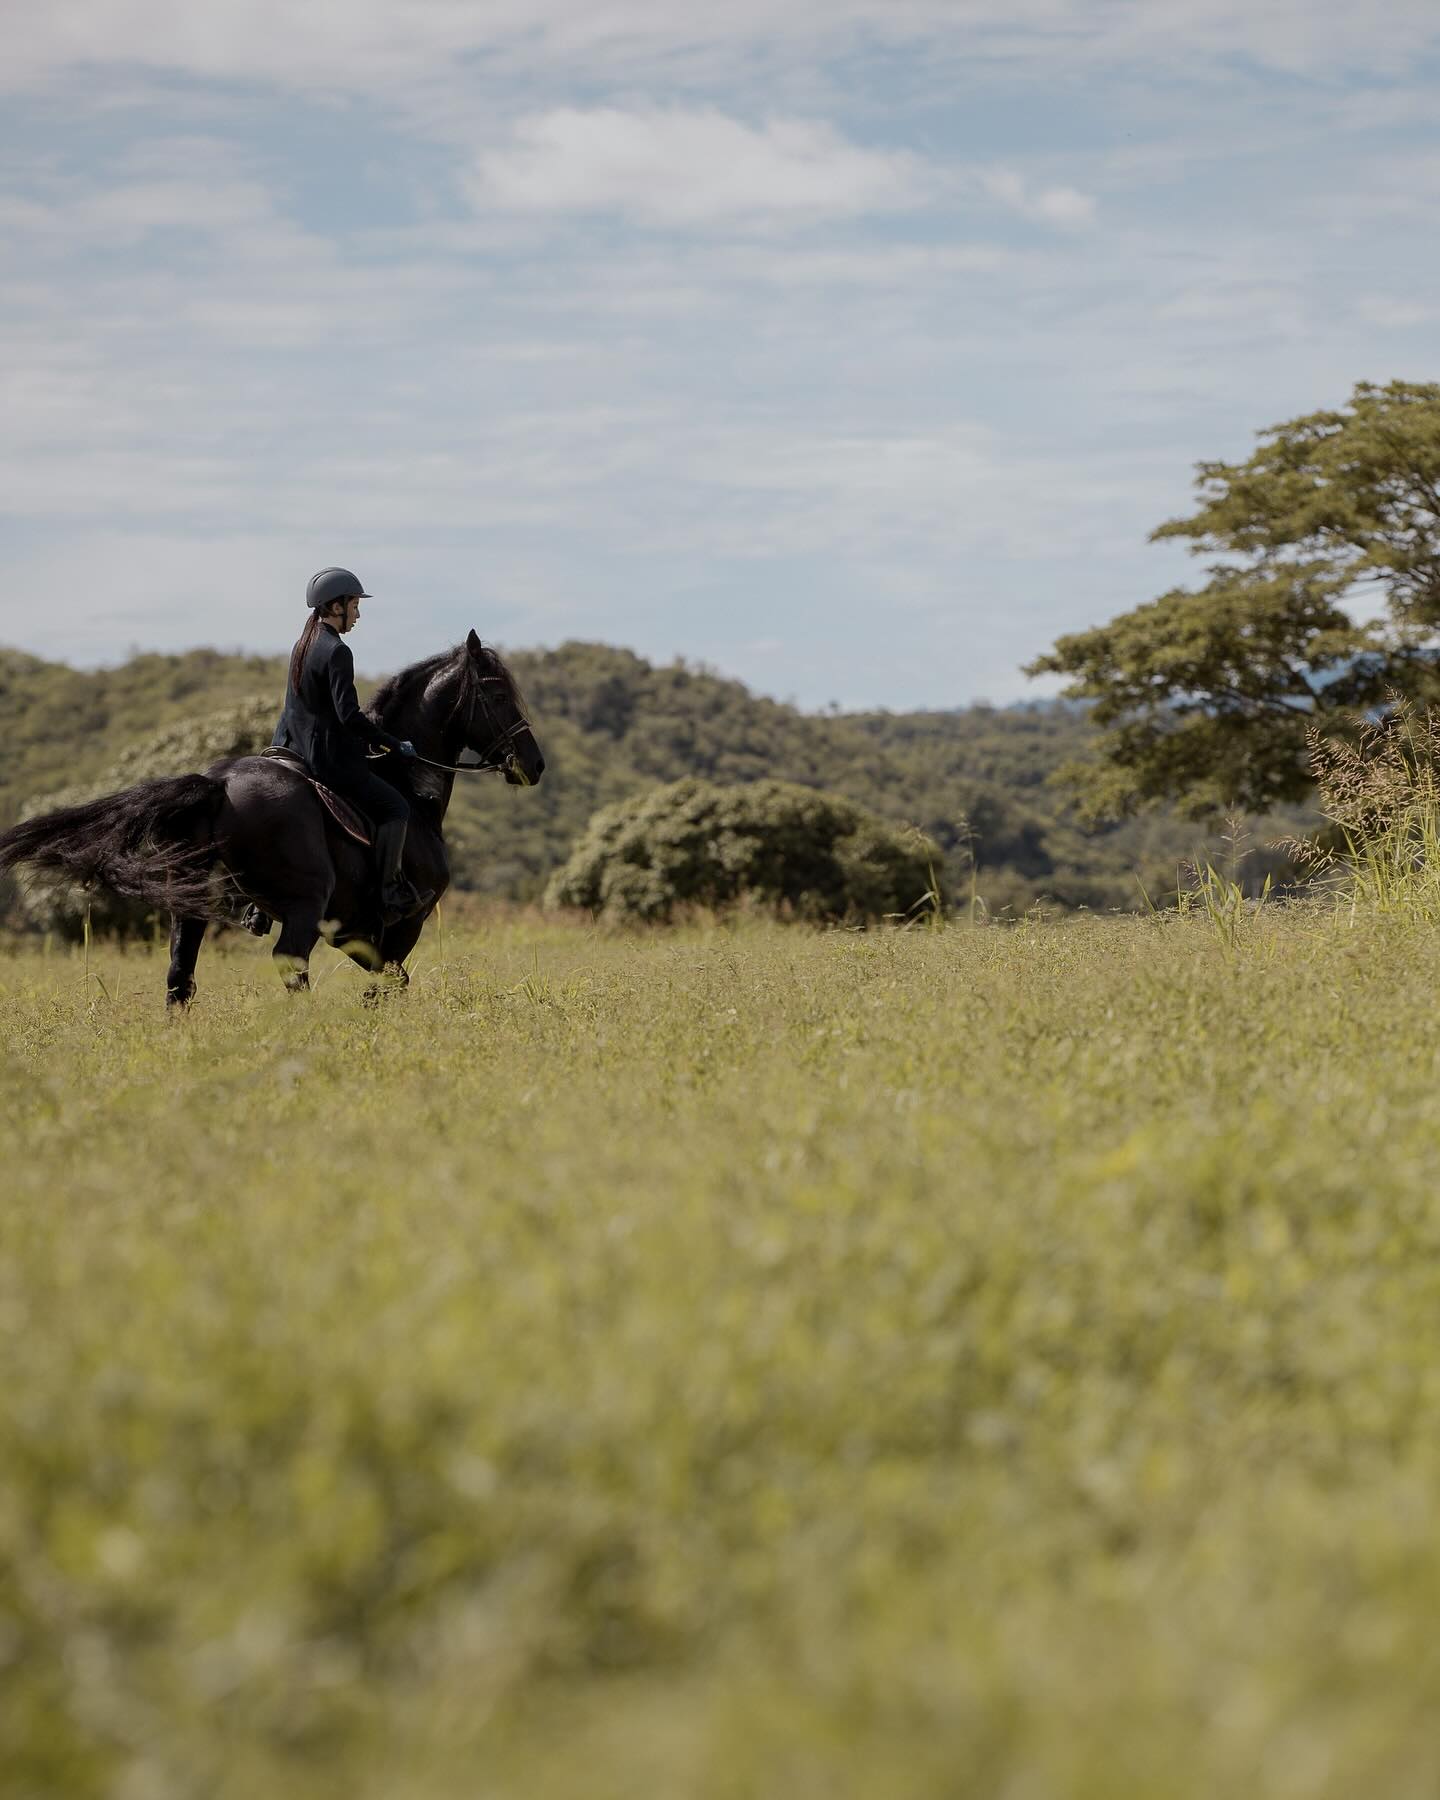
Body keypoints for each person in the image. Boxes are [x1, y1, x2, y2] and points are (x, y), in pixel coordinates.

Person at [271, 567, 434, 924]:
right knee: (396, 808)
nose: (357, 615)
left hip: (291, 750)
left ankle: (258, 906)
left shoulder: (302, 646)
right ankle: (391, 891)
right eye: (355, 606)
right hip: (328, 761)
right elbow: (348, 716)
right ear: (335, 606)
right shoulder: (336, 651)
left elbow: (296, 710)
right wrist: (392, 744)